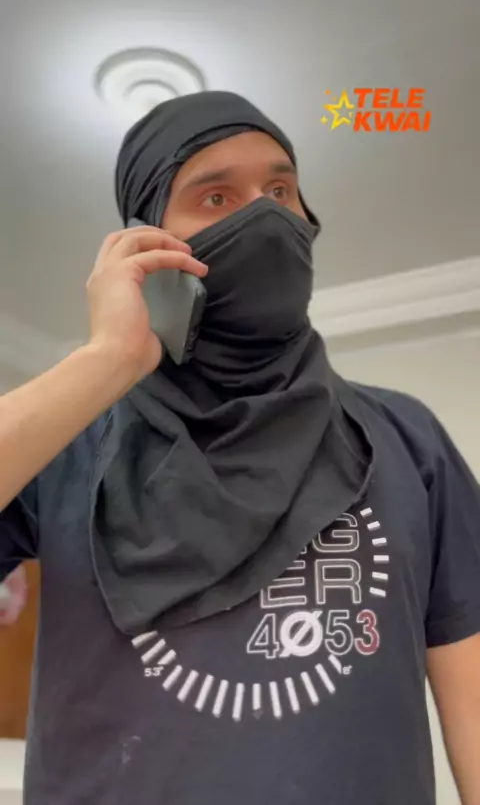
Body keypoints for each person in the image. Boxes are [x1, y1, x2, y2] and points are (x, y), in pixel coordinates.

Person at [0, 91, 479, 805]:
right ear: (146, 244)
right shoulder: (69, 440)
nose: (267, 216)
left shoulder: (407, 437)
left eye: (281, 191)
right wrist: (104, 361)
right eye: (216, 197)